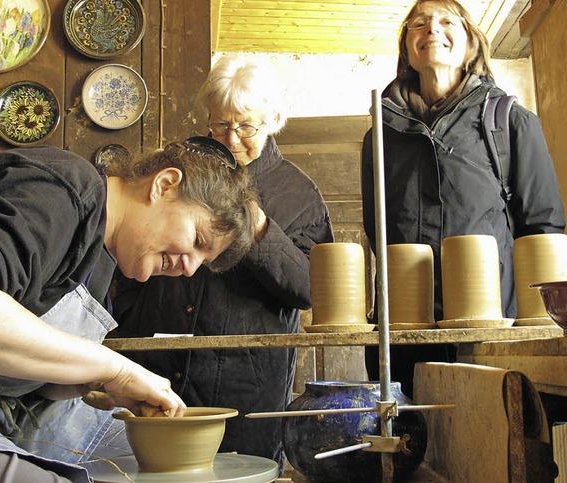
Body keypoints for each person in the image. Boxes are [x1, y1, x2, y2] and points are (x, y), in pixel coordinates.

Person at [0, 138, 259, 482]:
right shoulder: (60, 188)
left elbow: (23, 370)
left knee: (176, 472)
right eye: (198, 241)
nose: (189, 269)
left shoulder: (103, 263)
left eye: (202, 263)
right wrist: (116, 369)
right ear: (164, 185)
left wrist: (88, 380)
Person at [111, 56, 334, 467]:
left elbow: (310, 290)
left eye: (246, 126)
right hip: (155, 364)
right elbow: (129, 244)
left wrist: (258, 226)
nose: (232, 137)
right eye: (220, 124)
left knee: (240, 471)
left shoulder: (298, 193)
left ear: (273, 120)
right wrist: (128, 319)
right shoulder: (178, 169)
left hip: (244, 384)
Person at [362, 0, 565, 397]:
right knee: (412, 448)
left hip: (492, 329)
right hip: (408, 331)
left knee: (503, 450)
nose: (431, 29)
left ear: (470, 43)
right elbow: (378, 232)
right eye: (418, 24)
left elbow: (543, 230)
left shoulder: (509, 121)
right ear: (407, 49)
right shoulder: (380, 136)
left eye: (445, 21)